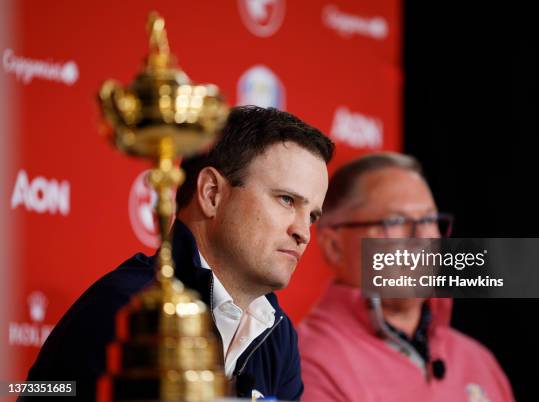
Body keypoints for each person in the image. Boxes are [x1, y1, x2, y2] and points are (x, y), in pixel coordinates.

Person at [23, 106, 334, 401]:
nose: (303, 232)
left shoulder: (278, 336)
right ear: (211, 194)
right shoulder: (129, 309)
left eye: (312, 216)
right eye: (287, 200)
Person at [298, 152, 514, 402]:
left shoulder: (478, 361)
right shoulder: (309, 363)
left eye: (430, 219)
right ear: (334, 246)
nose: (421, 237)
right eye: (396, 221)